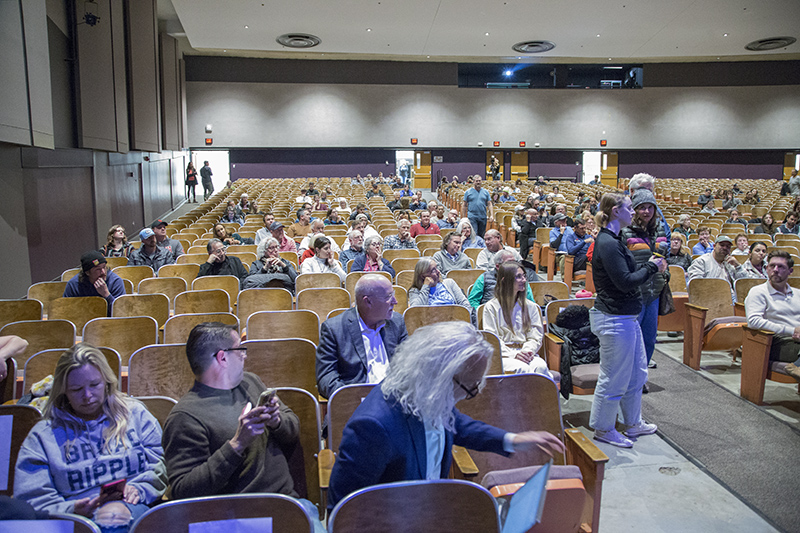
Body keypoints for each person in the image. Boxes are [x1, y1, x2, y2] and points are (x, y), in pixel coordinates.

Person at [327, 321, 565, 509]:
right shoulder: (373, 427)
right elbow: (344, 509)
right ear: (440, 375)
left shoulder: (428, 394)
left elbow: (456, 424)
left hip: (432, 512)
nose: (470, 395)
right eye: (470, 387)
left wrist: (511, 440)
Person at [161, 324, 322, 530]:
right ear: (223, 357)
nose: (244, 356)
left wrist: (276, 421)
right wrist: (237, 444)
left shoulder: (251, 382)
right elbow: (184, 490)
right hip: (234, 518)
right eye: (240, 349)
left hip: (286, 504)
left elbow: (293, 429)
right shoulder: (185, 417)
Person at [14, 343, 165, 531]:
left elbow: (160, 462)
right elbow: (31, 497)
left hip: (130, 507)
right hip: (70, 519)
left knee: (114, 520)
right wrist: (71, 510)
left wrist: (141, 488)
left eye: (94, 385)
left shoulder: (134, 413)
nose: (87, 395)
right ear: (63, 391)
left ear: (107, 382)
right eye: (76, 389)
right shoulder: (43, 435)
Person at [588, 192, 666, 448]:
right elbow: (624, 282)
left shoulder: (615, 238)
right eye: (629, 208)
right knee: (614, 377)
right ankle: (603, 428)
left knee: (636, 373)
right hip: (613, 318)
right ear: (614, 211)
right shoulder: (608, 243)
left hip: (626, 317)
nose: (633, 212)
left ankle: (633, 423)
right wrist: (653, 267)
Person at [316, 274, 407, 399]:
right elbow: (326, 378)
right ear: (367, 301)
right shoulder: (334, 329)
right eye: (388, 297)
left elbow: (408, 365)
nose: (395, 301)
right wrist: (352, 399)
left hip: (394, 401)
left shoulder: (397, 322)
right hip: (356, 405)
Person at [620, 189, 669, 374]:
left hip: (654, 292)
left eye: (650, 207)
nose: (647, 211)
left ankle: (641, 375)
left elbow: (665, 258)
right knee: (632, 339)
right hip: (635, 291)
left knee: (649, 338)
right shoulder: (625, 231)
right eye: (642, 208)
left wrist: (666, 274)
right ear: (635, 209)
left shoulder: (660, 229)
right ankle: (629, 375)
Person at [483, 262, 548, 375]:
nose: (523, 280)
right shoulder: (491, 307)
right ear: (505, 280)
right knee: (522, 369)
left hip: (526, 352)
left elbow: (535, 336)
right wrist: (514, 355)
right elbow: (492, 339)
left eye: (524, 276)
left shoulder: (530, 306)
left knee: (540, 367)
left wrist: (527, 351)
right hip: (504, 355)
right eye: (518, 277)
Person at [745, 251, 800, 382]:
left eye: (781, 267)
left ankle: (797, 366)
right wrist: (792, 331)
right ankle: (797, 366)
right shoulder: (758, 292)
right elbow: (753, 322)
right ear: (767, 268)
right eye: (772, 266)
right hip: (774, 341)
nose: (775, 270)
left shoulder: (798, 294)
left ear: (790, 271)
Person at [468, 250, 535, 308]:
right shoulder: (484, 278)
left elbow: (530, 302)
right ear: (498, 266)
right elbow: (473, 301)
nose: (514, 265)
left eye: (515, 262)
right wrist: (482, 314)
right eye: (509, 262)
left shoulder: (521, 280)